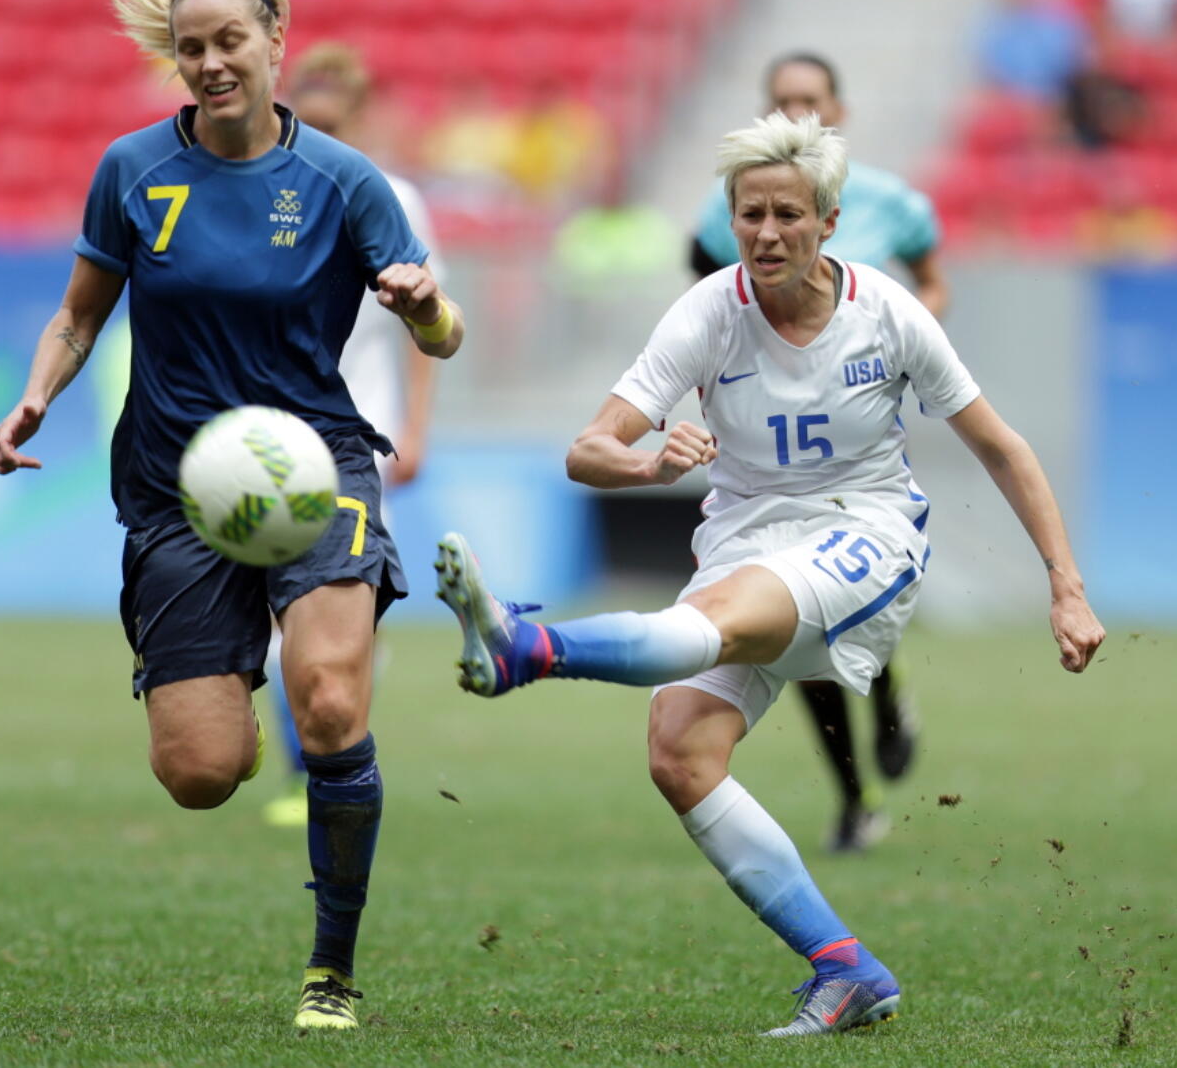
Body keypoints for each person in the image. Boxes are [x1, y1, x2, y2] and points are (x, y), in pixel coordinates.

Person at [436, 111, 1104, 1038]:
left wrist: (1065, 587)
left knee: (721, 613)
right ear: (731, 216)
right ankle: (845, 968)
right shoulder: (710, 310)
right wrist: (652, 464)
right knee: (680, 752)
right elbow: (589, 451)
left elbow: (1002, 448)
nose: (768, 234)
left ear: (829, 221)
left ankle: (528, 646)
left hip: (865, 533)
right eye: (751, 214)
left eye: (789, 214)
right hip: (746, 538)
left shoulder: (888, 314)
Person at [0, 0, 464, 1031]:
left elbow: (444, 331)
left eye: (226, 43)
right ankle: (227, 677)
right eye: (189, 48)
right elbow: (78, 314)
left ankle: (330, 969)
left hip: (316, 462)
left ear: (274, 38)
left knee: (334, 701)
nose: (207, 64)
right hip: (174, 484)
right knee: (201, 773)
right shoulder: (130, 169)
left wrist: (426, 306)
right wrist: (37, 395)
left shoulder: (348, 183)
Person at [690, 52, 949, 852]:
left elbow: (930, 282)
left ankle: (890, 687)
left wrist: (908, 345)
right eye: (782, 103)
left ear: (841, 107)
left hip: (860, 447)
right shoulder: (719, 209)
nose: (798, 115)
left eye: (811, 101)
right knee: (799, 643)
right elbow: (709, 307)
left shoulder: (889, 202)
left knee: (856, 593)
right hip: (774, 458)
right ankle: (854, 792)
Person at [262, 41, 444, 828]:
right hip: (271, 441)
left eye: (338, 119)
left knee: (348, 613)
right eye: (313, 116)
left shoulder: (393, 198)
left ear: (360, 119)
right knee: (280, 621)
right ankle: (305, 768)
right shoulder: (272, 196)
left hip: (356, 443)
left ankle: (336, 764)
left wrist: (415, 426)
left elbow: (424, 322)